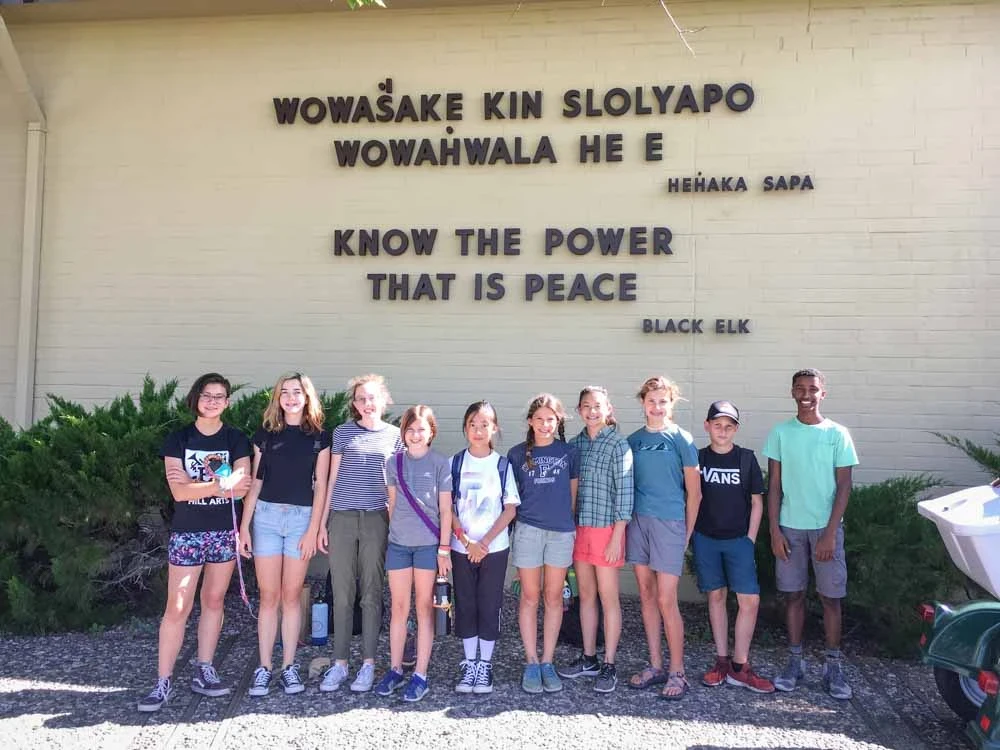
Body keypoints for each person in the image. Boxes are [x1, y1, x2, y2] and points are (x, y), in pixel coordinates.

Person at [137, 373, 252, 712]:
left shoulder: (236, 439)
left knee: (214, 600)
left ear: (227, 402)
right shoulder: (178, 439)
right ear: (196, 399)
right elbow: (178, 492)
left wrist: (200, 486)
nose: (213, 401)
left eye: (220, 396)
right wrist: (219, 486)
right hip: (187, 533)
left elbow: (242, 486)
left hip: (223, 531)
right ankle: (163, 680)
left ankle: (205, 668)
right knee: (177, 606)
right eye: (207, 395)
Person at [764, 368, 859, 700]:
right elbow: (773, 486)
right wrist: (774, 530)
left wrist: (831, 532)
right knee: (793, 595)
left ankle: (833, 665)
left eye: (813, 388)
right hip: (790, 527)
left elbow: (844, 485)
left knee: (831, 598)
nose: (806, 393)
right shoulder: (780, 433)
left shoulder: (837, 434)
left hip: (825, 528)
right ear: (792, 392)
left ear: (823, 394)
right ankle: (795, 661)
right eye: (800, 388)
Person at [240, 373, 331, 697]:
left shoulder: (319, 436)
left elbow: (320, 485)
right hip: (265, 518)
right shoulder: (265, 434)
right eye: (285, 393)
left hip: (299, 520)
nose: (291, 397)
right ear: (277, 398)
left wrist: (312, 529)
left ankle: (288, 667)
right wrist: (244, 528)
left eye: (297, 392)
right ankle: (264, 667)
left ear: (307, 397)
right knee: (269, 597)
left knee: (291, 597)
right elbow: (256, 481)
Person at [318, 374, 403, 693]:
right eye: (360, 399)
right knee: (341, 593)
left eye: (372, 397)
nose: (367, 404)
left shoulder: (395, 437)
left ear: (383, 400)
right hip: (341, 518)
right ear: (354, 404)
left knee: (371, 592)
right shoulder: (342, 433)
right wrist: (323, 524)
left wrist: (394, 526)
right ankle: (340, 663)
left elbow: (394, 488)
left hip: (376, 520)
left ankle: (368, 664)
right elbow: (330, 480)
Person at [626, 376, 701, 701]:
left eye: (663, 401)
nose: (657, 407)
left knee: (666, 599)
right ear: (643, 403)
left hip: (670, 523)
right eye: (651, 401)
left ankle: (677, 671)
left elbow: (695, 494)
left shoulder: (682, 439)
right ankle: (656, 665)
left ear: (671, 404)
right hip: (638, 522)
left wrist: (686, 533)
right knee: (646, 593)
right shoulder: (632, 440)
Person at [694, 400, 774, 694]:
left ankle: (741, 666)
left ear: (736, 429)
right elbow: (691, 498)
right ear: (707, 426)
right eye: (717, 425)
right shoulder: (698, 458)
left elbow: (757, 501)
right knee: (716, 596)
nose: (723, 431)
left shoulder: (746, 459)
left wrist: (750, 538)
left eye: (729, 426)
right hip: (706, 538)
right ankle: (722, 661)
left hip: (739, 540)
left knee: (749, 601)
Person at [375, 405, 453, 703]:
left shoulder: (440, 464)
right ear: (403, 433)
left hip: (427, 546)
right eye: (410, 429)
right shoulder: (393, 463)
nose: (416, 434)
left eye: (421, 429)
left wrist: (443, 549)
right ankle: (395, 669)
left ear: (431, 432)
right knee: (398, 608)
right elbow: (392, 505)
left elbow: (446, 510)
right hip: (398, 545)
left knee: (423, 609)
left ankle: (420, 674)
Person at [559, 385, 633, 693]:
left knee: (608, 597)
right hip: (580, 531)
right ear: (579, 411)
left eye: (598, 405)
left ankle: (610, 663)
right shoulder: (574, 446)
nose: (592, 410)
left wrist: (618, 534)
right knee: (585, 596)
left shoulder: (618, 445)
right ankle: (588, 657)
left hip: (607, 531)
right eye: (586, 406)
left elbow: (625, 492)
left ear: (608, 409)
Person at [507, 394, 579, 694]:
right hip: (528, 531)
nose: (545, 424)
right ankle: (531, 661)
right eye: (539, 419)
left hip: (561, 533)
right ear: (530, 421)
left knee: (553, 598)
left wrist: (565, 523)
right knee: (529, 597)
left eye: (551, 419)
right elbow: (512, 498)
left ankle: (548, 660)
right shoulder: (515, 454)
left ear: (558, 421)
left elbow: (572, 495)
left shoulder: (569, 452)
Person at [451, 401, 521, 695]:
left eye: (485, 425)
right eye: (472, 424)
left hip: (493, 548)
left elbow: (510, 510)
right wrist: (467, 542)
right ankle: (470, 663)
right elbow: (448, 507)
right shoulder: (455, 463)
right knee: (466, 603)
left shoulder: (502, 465)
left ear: (494, 428)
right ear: (465, 428)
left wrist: (483, 543)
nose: (478, 430)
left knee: (489, 604)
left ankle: (485, 665)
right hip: (460, 547)